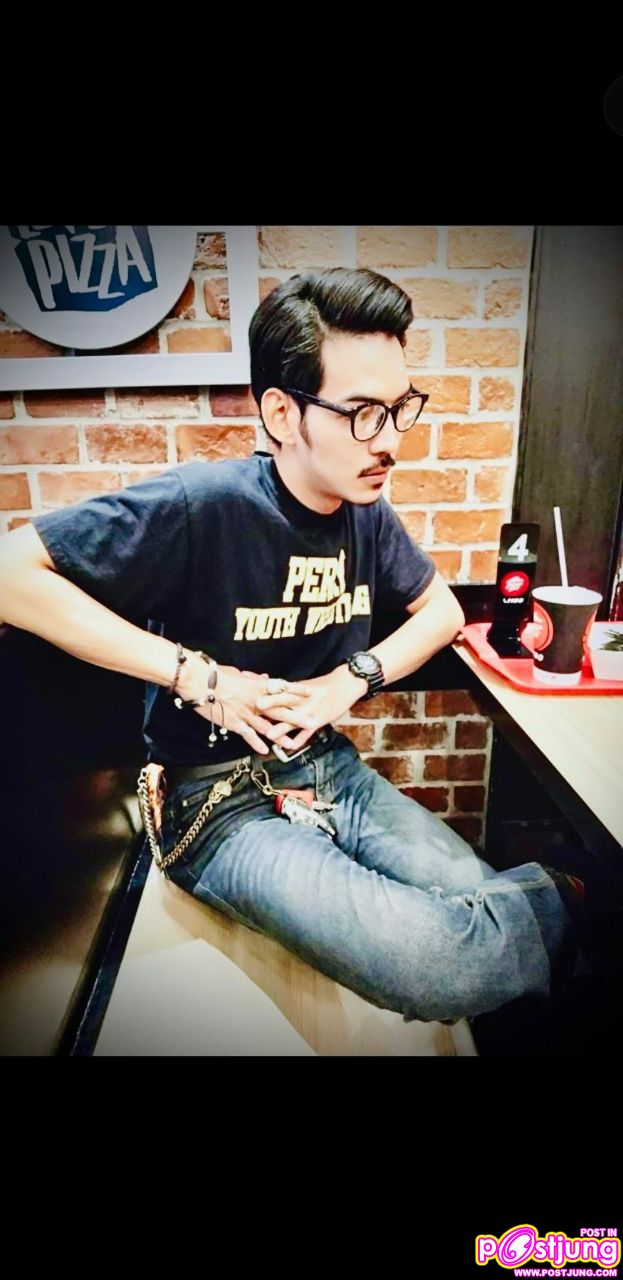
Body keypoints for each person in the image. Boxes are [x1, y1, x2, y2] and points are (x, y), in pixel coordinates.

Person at [0, 267, 590, 1026]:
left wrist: (351, 679)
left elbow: (441, 612)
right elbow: (10, 573)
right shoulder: (204, 504)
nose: (390, 442)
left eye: (399, 408)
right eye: (363, 413)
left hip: (328, 766)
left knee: (478, 898)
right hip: (215, 801)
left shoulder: (366, 511)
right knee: (438, 964)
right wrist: (198, 677)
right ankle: (586, 898)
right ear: (281, 412)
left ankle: (566, 930)